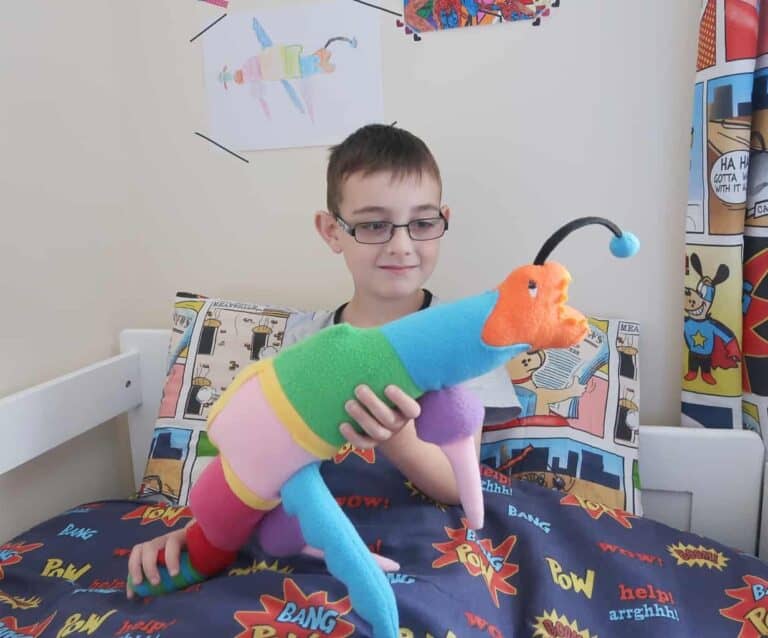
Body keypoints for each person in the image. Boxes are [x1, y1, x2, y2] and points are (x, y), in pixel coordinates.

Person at [127, 123, 520, 597]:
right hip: (310, 535)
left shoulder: (467, 343)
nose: (401, 244)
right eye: (374, 225)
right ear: (332, 231)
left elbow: (459, 485)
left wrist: (395, 435)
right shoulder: (306, 343)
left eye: (422, 222)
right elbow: (256, 464)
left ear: (443, 220)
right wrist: (201, 535)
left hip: (423, 537)